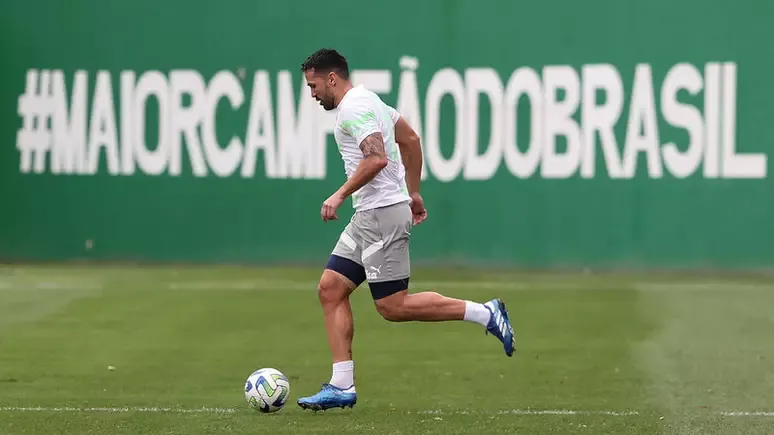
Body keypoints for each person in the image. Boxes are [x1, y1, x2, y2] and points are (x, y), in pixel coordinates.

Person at [296, 48, 516, 412]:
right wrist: (413, 192)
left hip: (382, 215)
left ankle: (486, 313)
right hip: (370, 214)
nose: (313, 93)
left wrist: (338, 194)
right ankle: (341, 384)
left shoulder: (355, 108)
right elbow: (410, 140)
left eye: (314, 85)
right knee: (331, 289)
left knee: (393, 306)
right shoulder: (372, 102)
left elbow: (377, 157)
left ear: (331, 78)